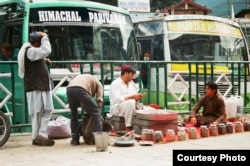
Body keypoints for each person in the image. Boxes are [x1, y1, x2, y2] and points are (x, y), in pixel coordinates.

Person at [18, 31, 55, 146]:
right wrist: (45, 37)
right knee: (37, 112)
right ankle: (38, 136)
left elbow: (40, 55)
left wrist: (44, 60)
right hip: (36, 86)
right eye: (40, 43)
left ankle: (40, 134)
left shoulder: (31, 50)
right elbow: (46, 50)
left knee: (47, 109)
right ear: (35, 43)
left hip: (41, 85)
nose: (41, 46)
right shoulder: (29, 51)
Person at [67, 74, 103, 145]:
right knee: (96, 113)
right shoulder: (98, 83)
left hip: (69, 89)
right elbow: (99, 101)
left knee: (74, 115)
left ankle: (75, 139)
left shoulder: (87, 80)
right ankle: (99, 140)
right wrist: (99, 102)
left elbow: (84, 103)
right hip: (81, 89)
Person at [109, 64, 145, 131]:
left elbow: (134, 96)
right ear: (125, 73)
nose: (133, 77)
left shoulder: (132, 83)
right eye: (131, 74)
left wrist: (137, 97)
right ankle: (128, 126)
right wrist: (132, 97)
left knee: (145, 108)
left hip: (129, 107)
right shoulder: (116, 84)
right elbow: (117, 100)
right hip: (117, 108)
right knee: (131, 102)